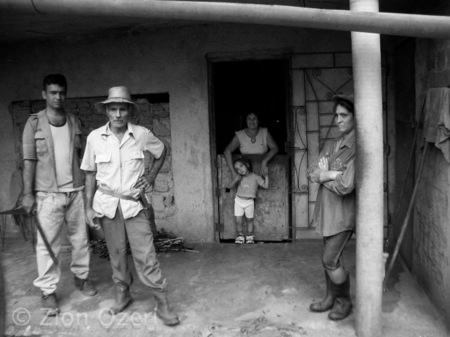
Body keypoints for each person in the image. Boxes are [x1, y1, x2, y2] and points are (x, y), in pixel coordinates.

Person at [81, 86, 179, 326]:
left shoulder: (141, 134)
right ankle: (123, 294)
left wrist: (152, 176)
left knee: (146, 255)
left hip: (134, 205)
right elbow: (89, 175)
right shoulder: (95, 138)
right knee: (116, 254)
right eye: (113, 109)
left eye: (122, 109)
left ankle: (162, 302)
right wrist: (87, 207)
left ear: (129, 111)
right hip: (107, 206)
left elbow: (161, 150)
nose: (117, 114)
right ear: (106, 111)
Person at [21, 74, 97, 316]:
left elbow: (81, 158)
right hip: (47, 194)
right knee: (48, 245)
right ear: (44, 94)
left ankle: (81, 278)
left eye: (62, 92)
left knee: (81, 240)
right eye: (53, 92)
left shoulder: (74, 121)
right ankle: (48, 291)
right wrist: (28, 193)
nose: (58, 97)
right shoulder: (33, 123)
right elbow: (29, 160)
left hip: (75, 192)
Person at [306, 94, 356, 321]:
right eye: (336, 115)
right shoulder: (333, 144)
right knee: (330, 259)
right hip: (327, 213)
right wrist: (330, 174)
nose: (338, 119)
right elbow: (312, 172)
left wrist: (325, 175)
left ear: (355, 117)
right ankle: (329, 298)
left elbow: (346, 185)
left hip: (342, 215)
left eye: (344, 115)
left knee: (329, 260)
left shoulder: (356, 148)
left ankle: (344, 301)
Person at [224, 112, 279, 181]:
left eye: (254, 118)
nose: (252, 121)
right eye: (249, 119)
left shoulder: (264, 132)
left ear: (259, 120)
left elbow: (275, 148)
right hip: (246, 171)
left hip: (261, 171)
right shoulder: (240, 135)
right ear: (246, 121)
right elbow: (227, 151)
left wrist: (265, 161)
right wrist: (233, 172)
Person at [227, 158, 269, 244]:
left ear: (247, 165)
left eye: (241, 166)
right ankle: (240, 236)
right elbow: (229, 186)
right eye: (237, 169)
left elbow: (266, 186)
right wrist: (235, 180)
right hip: (238, 201)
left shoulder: (255, 177)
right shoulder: (238, 177)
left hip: (249, 202)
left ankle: (250, 236)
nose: (240, 170)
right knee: (238, 221)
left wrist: (267, 176)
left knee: (250, 220)